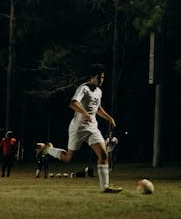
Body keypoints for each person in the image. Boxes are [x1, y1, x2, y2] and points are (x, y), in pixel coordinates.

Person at [41, 64, 122, 193]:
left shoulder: (99, 91)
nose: (101, 80)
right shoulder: (83, 88)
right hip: (78, 128)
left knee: (103, 155)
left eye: (103, 78)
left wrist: (109, 118)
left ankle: (105, 187)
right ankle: (48, 149)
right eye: (98, 77)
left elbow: (97, 108)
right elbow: (73, 103)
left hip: (92, 128)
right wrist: (84, 113)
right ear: (91, 77)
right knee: (68, 158)